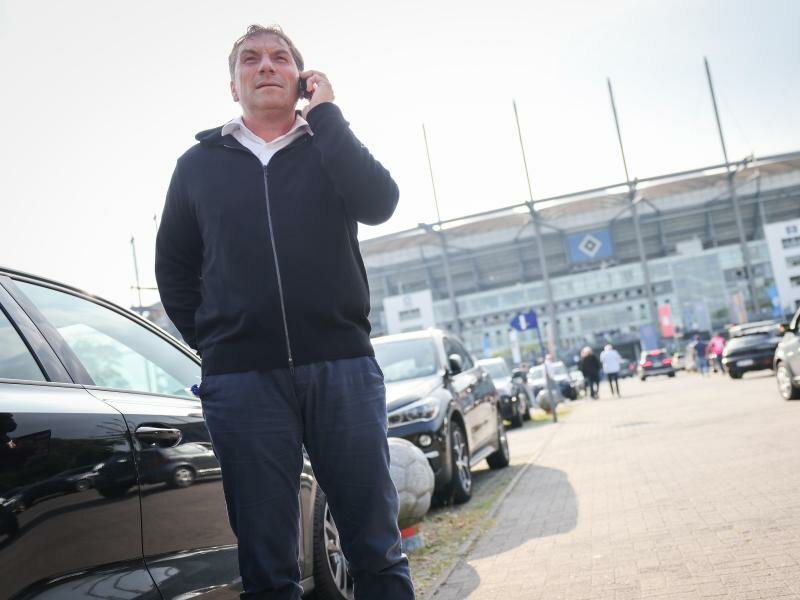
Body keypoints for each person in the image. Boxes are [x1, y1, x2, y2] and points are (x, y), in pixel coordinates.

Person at [155, 24, 414, 600]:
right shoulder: (197, 165)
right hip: (243, 382)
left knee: (375, 547)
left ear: (302, 79)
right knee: (268, 567)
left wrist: (328, 115)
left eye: (280, 58)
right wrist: (219, 343)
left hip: (342, 367)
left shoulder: (329, 146)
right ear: (234, 84)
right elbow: (174, 267)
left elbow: (381, 203)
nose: (266, 66)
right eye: (251, 59)